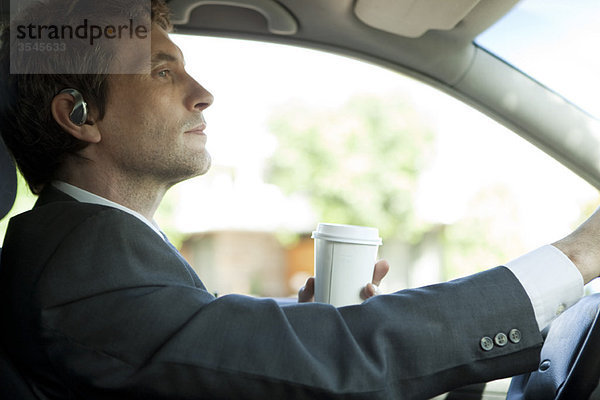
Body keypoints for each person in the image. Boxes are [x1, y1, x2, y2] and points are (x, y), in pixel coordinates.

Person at [0, 0, 598, 398]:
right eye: (163, 71)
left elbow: (213, 363)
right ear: (79, 116)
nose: (203, 94)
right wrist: (577, 256)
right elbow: (336, 355)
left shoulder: (91, 250)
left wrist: (302, 324)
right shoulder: (80, 257)